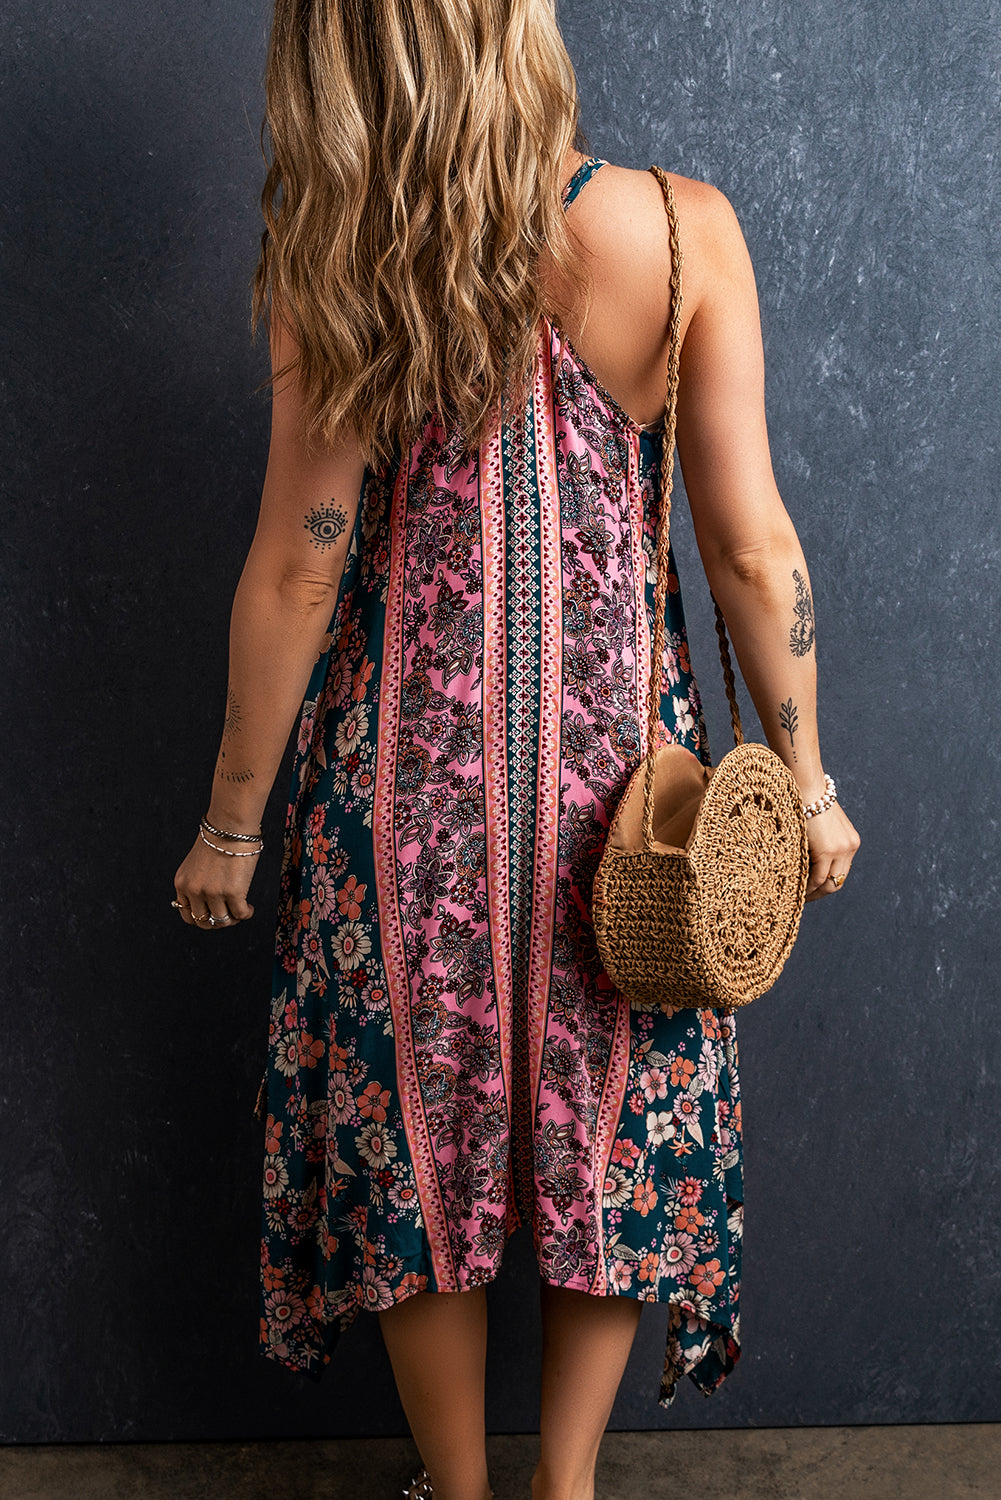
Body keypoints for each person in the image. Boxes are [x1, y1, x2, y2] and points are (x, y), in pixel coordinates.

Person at [173, 2, 860, 1496]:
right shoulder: (680, 231)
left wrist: (233, 819)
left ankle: (458, 1488)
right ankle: (565, 1483)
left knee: (417, 1130)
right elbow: (751, 547)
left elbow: (300, 563)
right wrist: (806, 783)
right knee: (610, 1119)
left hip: (403, 791)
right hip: (632, 807)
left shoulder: (350, 258)